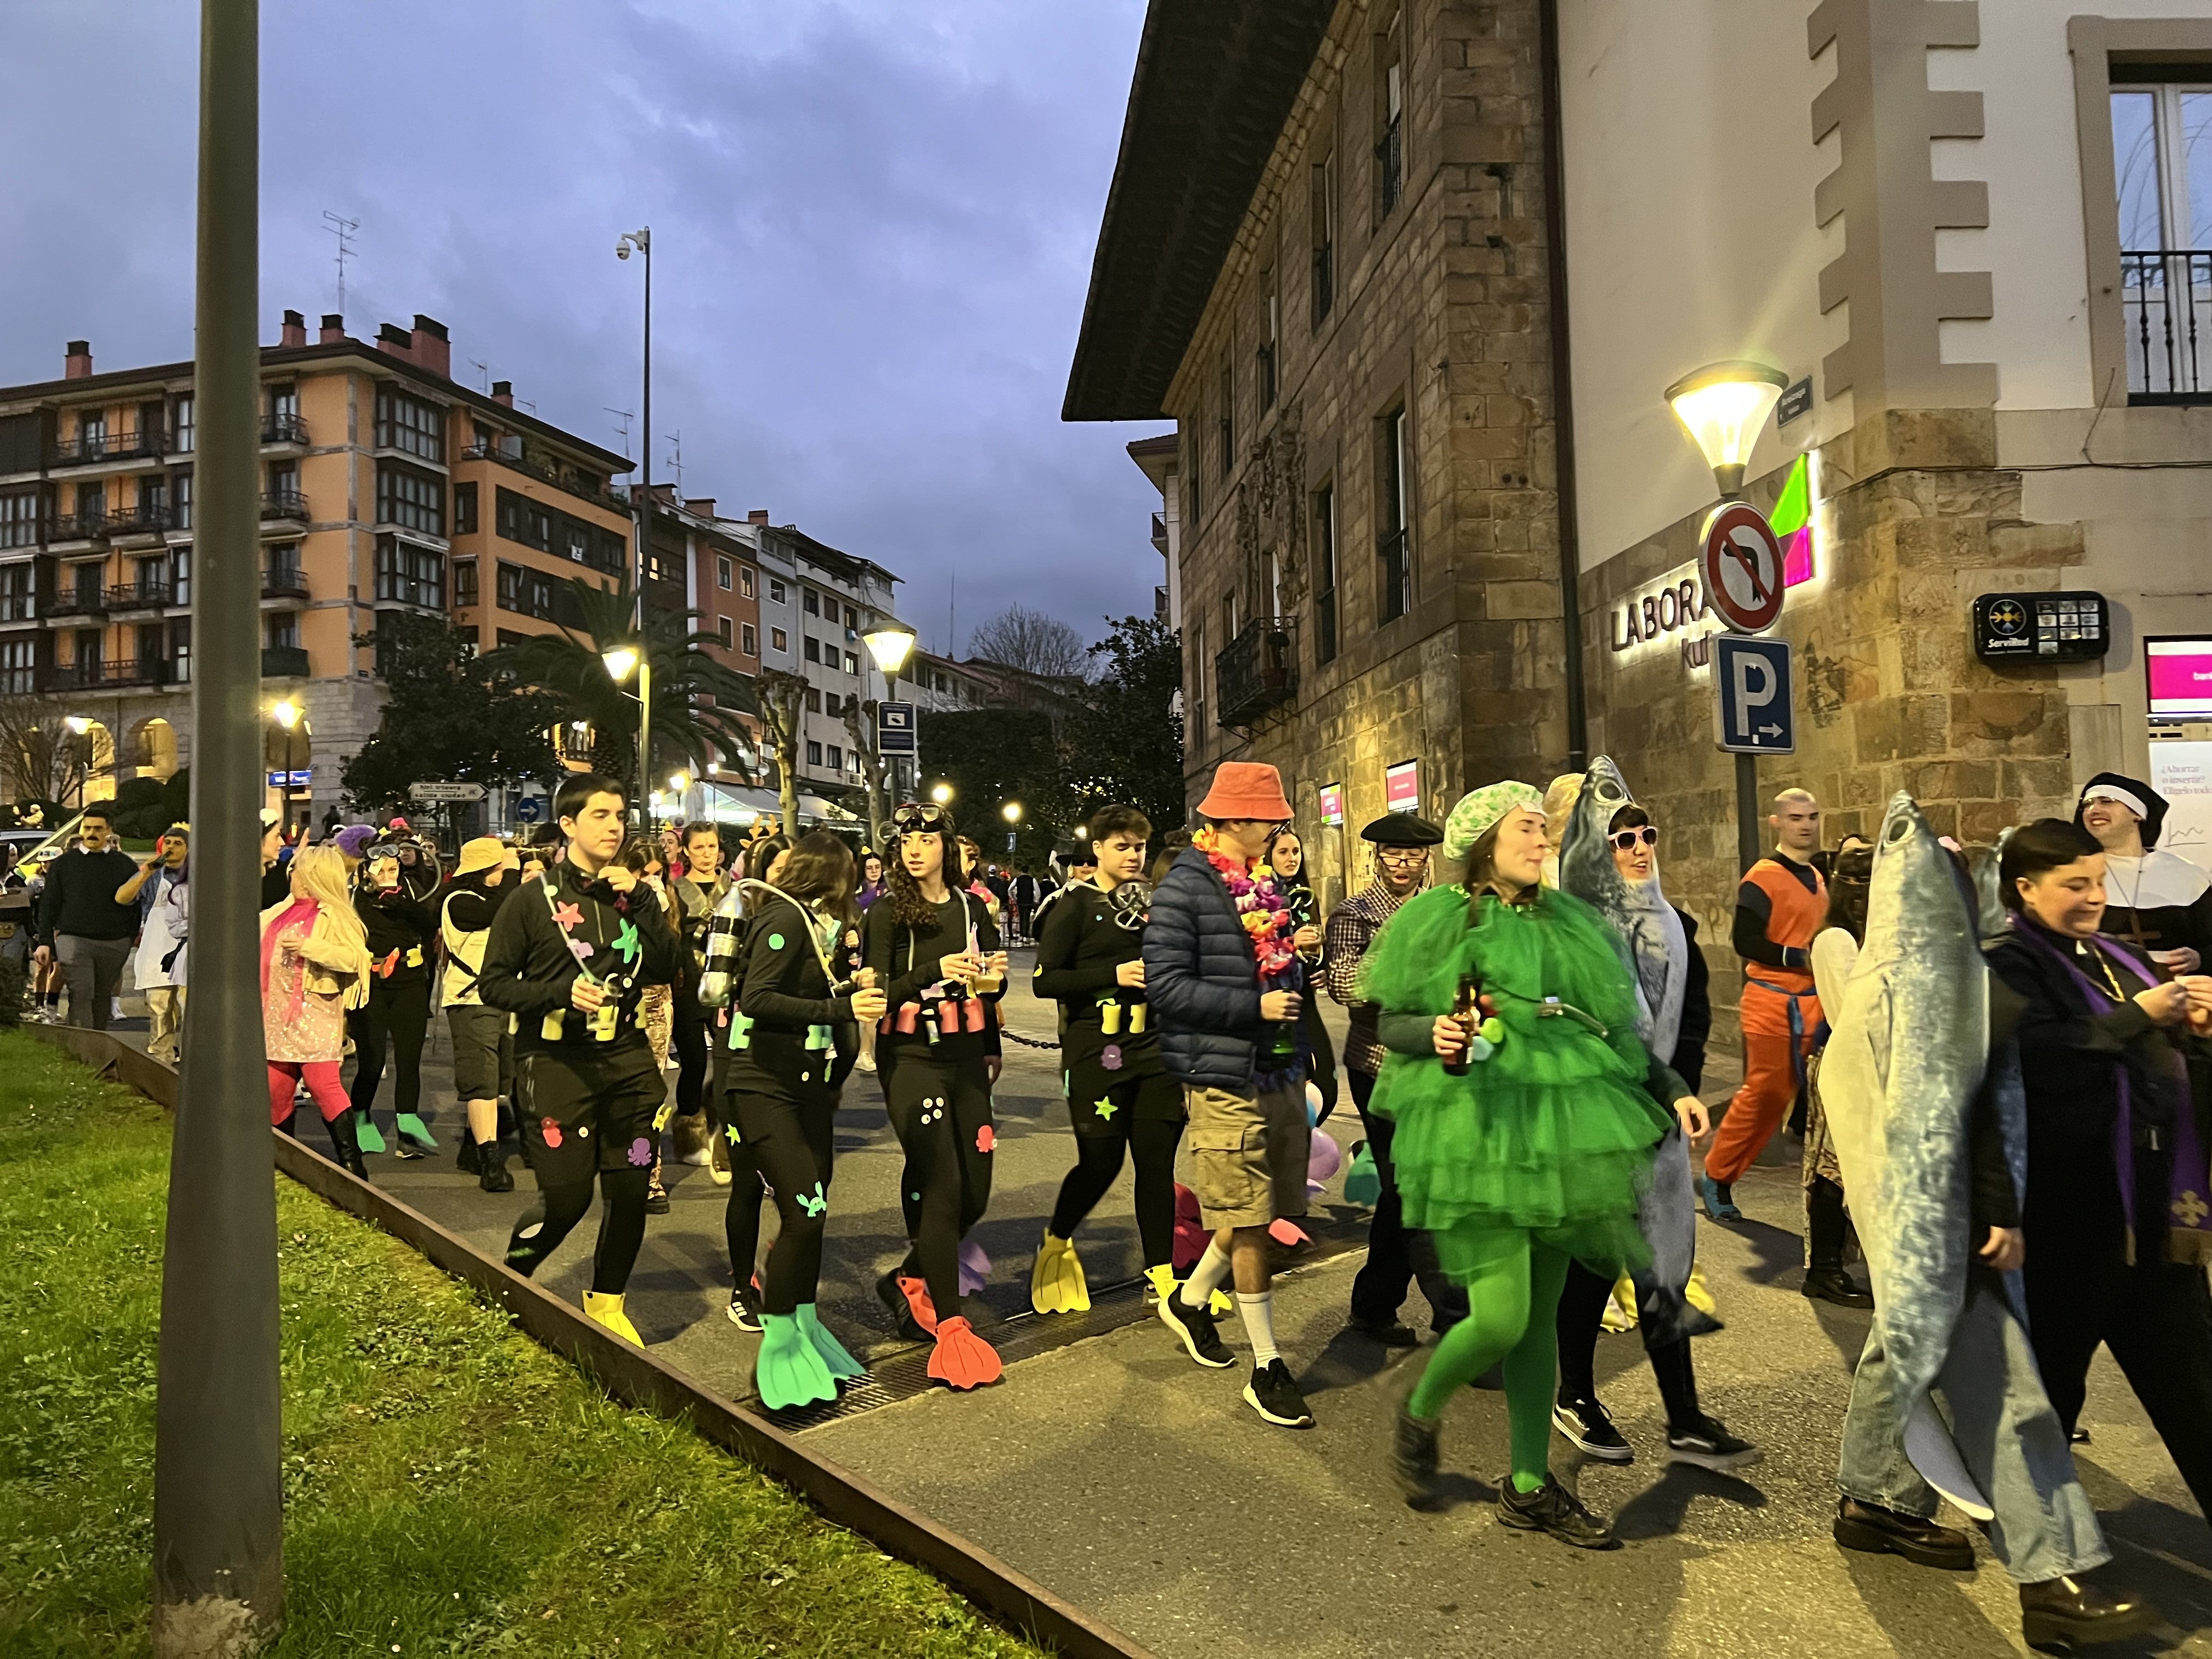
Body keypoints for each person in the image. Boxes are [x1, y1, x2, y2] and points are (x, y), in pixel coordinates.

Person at [1824, 803, 2157, 1652]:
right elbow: (1947, 1117)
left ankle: (1875, 1497)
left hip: (1929, 1219)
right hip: (1951, 1219)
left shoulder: (1909, 973)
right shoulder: (1932, 980)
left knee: (1904, 1346)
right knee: (2009, 1398)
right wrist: (1995, 1214)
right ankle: (2054, 1579)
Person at [1369, 781, 1699, 1544]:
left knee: (1538, 1323)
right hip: (1478, 1132)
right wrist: (1438, 1034)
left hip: (1561, 1131)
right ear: (1486, 840)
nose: (1541, 840)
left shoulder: (1569, 924)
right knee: (1501, 1316)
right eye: (1528, 828)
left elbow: (1609, 1028)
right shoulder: (1442, 919)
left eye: (1544, 830)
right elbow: (1394, 1018)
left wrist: (1671, 1086)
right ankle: (1420, 1404)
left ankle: (1527, 1484)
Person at [1986, 817, 2212, 1524]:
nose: (2091, 898)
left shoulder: (2113, 954)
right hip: (2071, 1213)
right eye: (2073, 885)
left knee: (2195, 1384)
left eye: (2097, 882)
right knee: (2050, 1388)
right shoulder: (2004, 962)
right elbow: (2035, 1059)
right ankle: (2048, 1553)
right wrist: (2135, 1017)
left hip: (2153, 1212)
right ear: (2025, 889)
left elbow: (2165, 1070)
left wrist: (2195, 1029)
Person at [1549, 795, 1755, 1472]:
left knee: (1664, 1264)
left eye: (1647, 836)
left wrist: (1682, 1089)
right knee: (1597, 1261)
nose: (1639, 849)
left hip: (1660, 1120)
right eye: (1621, 840)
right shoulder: (1577, 932)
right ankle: (1573, 1394)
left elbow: (1691, 1024)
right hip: (1598, 1122)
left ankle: (1685, 1417)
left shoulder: (1678, 925)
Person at [477, 774, 682, 1345]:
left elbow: (669, 966)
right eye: (600, 815)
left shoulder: (636, 896)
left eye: (620, 814)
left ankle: (609, 1302)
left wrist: (644, 899)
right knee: (567, 1198)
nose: (615, 825)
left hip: (630, 1066)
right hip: (555, 1065)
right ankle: (510, 1277)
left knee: (631, 1189)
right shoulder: (529, 900)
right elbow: (492, 985)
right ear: (568, 825)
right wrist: (558, 994)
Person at [1147, 762, 1317, 1428]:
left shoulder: (1266, 886)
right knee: (1248, 1220)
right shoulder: (1185, 888)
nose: (1279, 830)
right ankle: (1267, 1366)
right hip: (1220, 1076)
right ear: (1237, 821)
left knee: (1262, 1203)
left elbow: (1281, 977)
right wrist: (1255, 1004)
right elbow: (1166, 987)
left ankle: (1190, 1302)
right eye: (1271, 819)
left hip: (1275, 1070)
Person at [721, 832, 883, 1407]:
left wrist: (846, 989)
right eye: (851, 875)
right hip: (764, 1087)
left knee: (814, 1208)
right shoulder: (785, 921)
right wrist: (841, 1007)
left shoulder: (814, 925)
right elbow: (758, 998)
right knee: (804, 1211)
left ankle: (807, 1327)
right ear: (832, 876)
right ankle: (782, 1338)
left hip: (806, 1087)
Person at [862, 803, 1007, 1388]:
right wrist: (930, 972)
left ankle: (912, 1273)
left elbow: (993, 979)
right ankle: (951, 1324)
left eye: (927, 838)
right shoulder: (885, 914)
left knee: (976, 1188)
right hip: (913, 1058)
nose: (916, 849)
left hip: (969, 1056)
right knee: (942, 1182)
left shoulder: (975, 906)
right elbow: (874, 994)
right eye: (907, 841)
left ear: (949, 846)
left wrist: (993, 1015)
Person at [1029, 804, 1184, 1314]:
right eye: (1122, 846)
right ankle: (1057, 1241)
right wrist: (1113, 975)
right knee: (1101, 1162)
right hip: (1098, 1053)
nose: (1133, 855)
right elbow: (1044, 980)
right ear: (1096, 850)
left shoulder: (1149, 902)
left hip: (1154, 1048)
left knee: (1157, 1165)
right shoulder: (1071, 905)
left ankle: (1163, 1276)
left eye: (1139, 846)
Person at [1325, 810, 1469, 1346]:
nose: (1404, 865)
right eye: (1392, 854)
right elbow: (1348, 985)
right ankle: (1455, 1317)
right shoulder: (1355, 914)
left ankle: (1373, 1305)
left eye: (1413, 856)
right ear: (1376, 857)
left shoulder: (1447, 910)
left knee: (1399, 1188)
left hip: (1439, 1065)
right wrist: (1421, 987)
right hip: (1380, 1066)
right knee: (1414, 1187)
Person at [1702, 787, 1827, 1220]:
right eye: (1796, 817)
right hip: (1773, 1001)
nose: (1805, 824)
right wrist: (1796, 957)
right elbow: (1745, 941)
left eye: (1811, 816)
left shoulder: (1819, 876)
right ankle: (1718, 1175)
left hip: (1817, 1000)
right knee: (1766, 1095)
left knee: (1828, 1097)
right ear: (1777, 822)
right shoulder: (1763, 877)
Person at [699, 833, 794, 1328]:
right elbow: (714, 990)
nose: (783, 874)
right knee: (749, 1181)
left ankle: (784, 1267)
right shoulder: (736, 908)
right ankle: (742, 1285)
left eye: (790, 865)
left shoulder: (805, 914)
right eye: (776, 865)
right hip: (741, 1052)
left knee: (798, 1182)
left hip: (795, 1061)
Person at [263, 844, 374, 1176]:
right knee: (276, 1088)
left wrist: (311, 948)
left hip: (315, 1011)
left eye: (297, 869)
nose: (291, 873)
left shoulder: (335, 914)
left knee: (323, 1085)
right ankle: (284, 1162)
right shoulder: (280, 910)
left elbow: (356, 959)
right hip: (274, 1012)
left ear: (314, 876)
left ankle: (353, 1164)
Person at [1802, 836, 1876, 1308]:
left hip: (1874, 1063)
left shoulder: (1872, 938)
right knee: (1833, 1169)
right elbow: (1850, 1011)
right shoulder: (1836, 940)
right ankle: (1824, 1269)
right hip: (1844, 1063)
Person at [346, 838, 441, 1159]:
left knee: (408, 1062)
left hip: (410, 983)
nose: (388, 874)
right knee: (371, 1063)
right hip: (371, 986)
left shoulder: (412, 891)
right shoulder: (356, 897)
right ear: (367, 871)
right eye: (381, 869)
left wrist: (407, 908)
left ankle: (406, 1136)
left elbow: (431, 927)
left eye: (394, 867)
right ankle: (360, 1121)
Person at [441, 836, 521, 1193]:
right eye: (499, 869)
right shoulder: (458, 901)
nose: (503, 875)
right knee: (483, 1081)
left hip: (501, 998)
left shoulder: (488, 898)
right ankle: (491, 1161)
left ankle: (472, 1149)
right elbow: (500, 910)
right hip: (470, 999)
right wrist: (514, 871)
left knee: (500, 1078)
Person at [2075, 773, 2212, 974]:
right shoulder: (2074, 873)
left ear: (2138, 815)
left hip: (2179, 994)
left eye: (2107, 801)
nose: (2093, 810)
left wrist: (2200, 958)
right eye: (2087, 805)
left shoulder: (2187, 875)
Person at [31, 804, 138, 1031]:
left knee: (101, 998)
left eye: (98, 828)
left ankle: (96, 1048)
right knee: (82, 993)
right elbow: (49, 904)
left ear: (109, 830)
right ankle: (81, 1048)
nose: (92, 833)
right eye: (87, 828)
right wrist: (44, 942)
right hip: (74, 940)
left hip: (114, 942)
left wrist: (128, 938)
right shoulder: (64, 864)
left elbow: (134, 905)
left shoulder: (124, 865)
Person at [667, 821, 732, 1175]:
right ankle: (689, 1134)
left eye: (712, 847)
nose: (707, 854)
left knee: (726, 1060)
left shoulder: (734, 888)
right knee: (693, 1060)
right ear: (686, 851)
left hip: (726, 984)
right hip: (688, 985)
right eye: (700, 848)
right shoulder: (674, 891)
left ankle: (720, 1130)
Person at [1265, 827, 1336, 1121]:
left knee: (1326, 1087)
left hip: (1306, 999)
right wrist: (1291, 944)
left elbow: (1317, 948)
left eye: (1296, 851)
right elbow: (1256, 950)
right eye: (1283, 852)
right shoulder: (1258, 899)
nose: (1292, 858)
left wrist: (1323, 967)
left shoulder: (1306, 897)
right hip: (1275, 1003)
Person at [117, 823, 190, 1066]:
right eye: (168, 843)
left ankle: (196, 1063)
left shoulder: (197, 874)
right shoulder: (152, 876)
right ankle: (162, 1062)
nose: (170, 847)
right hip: (158, 950)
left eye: (177, 843)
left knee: (191, 1009)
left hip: (189, 949)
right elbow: (122, 898)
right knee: (160, 1011)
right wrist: (144, 873)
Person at [0, 845, 30, 1025]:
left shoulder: (17, 881)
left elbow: (25, 909)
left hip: (14, 932)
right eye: (9, 856)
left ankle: (12, 1012)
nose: (13, 859)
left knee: (12, 971)